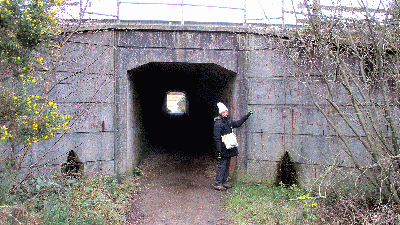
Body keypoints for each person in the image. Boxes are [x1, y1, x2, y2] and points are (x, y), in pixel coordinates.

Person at [213, 102, 252, 191]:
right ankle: (218, 183)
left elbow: (238, 123)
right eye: (223, 112)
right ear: (220, 113)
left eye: (226, 112)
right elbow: (217, 138)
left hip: (229, 147)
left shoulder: (228, 121)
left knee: (227, 165)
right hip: (222, 148)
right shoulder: (218, 123)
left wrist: (247, 115)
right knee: (221, 165)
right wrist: (219, 151)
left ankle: (224, 182)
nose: (226, 113)